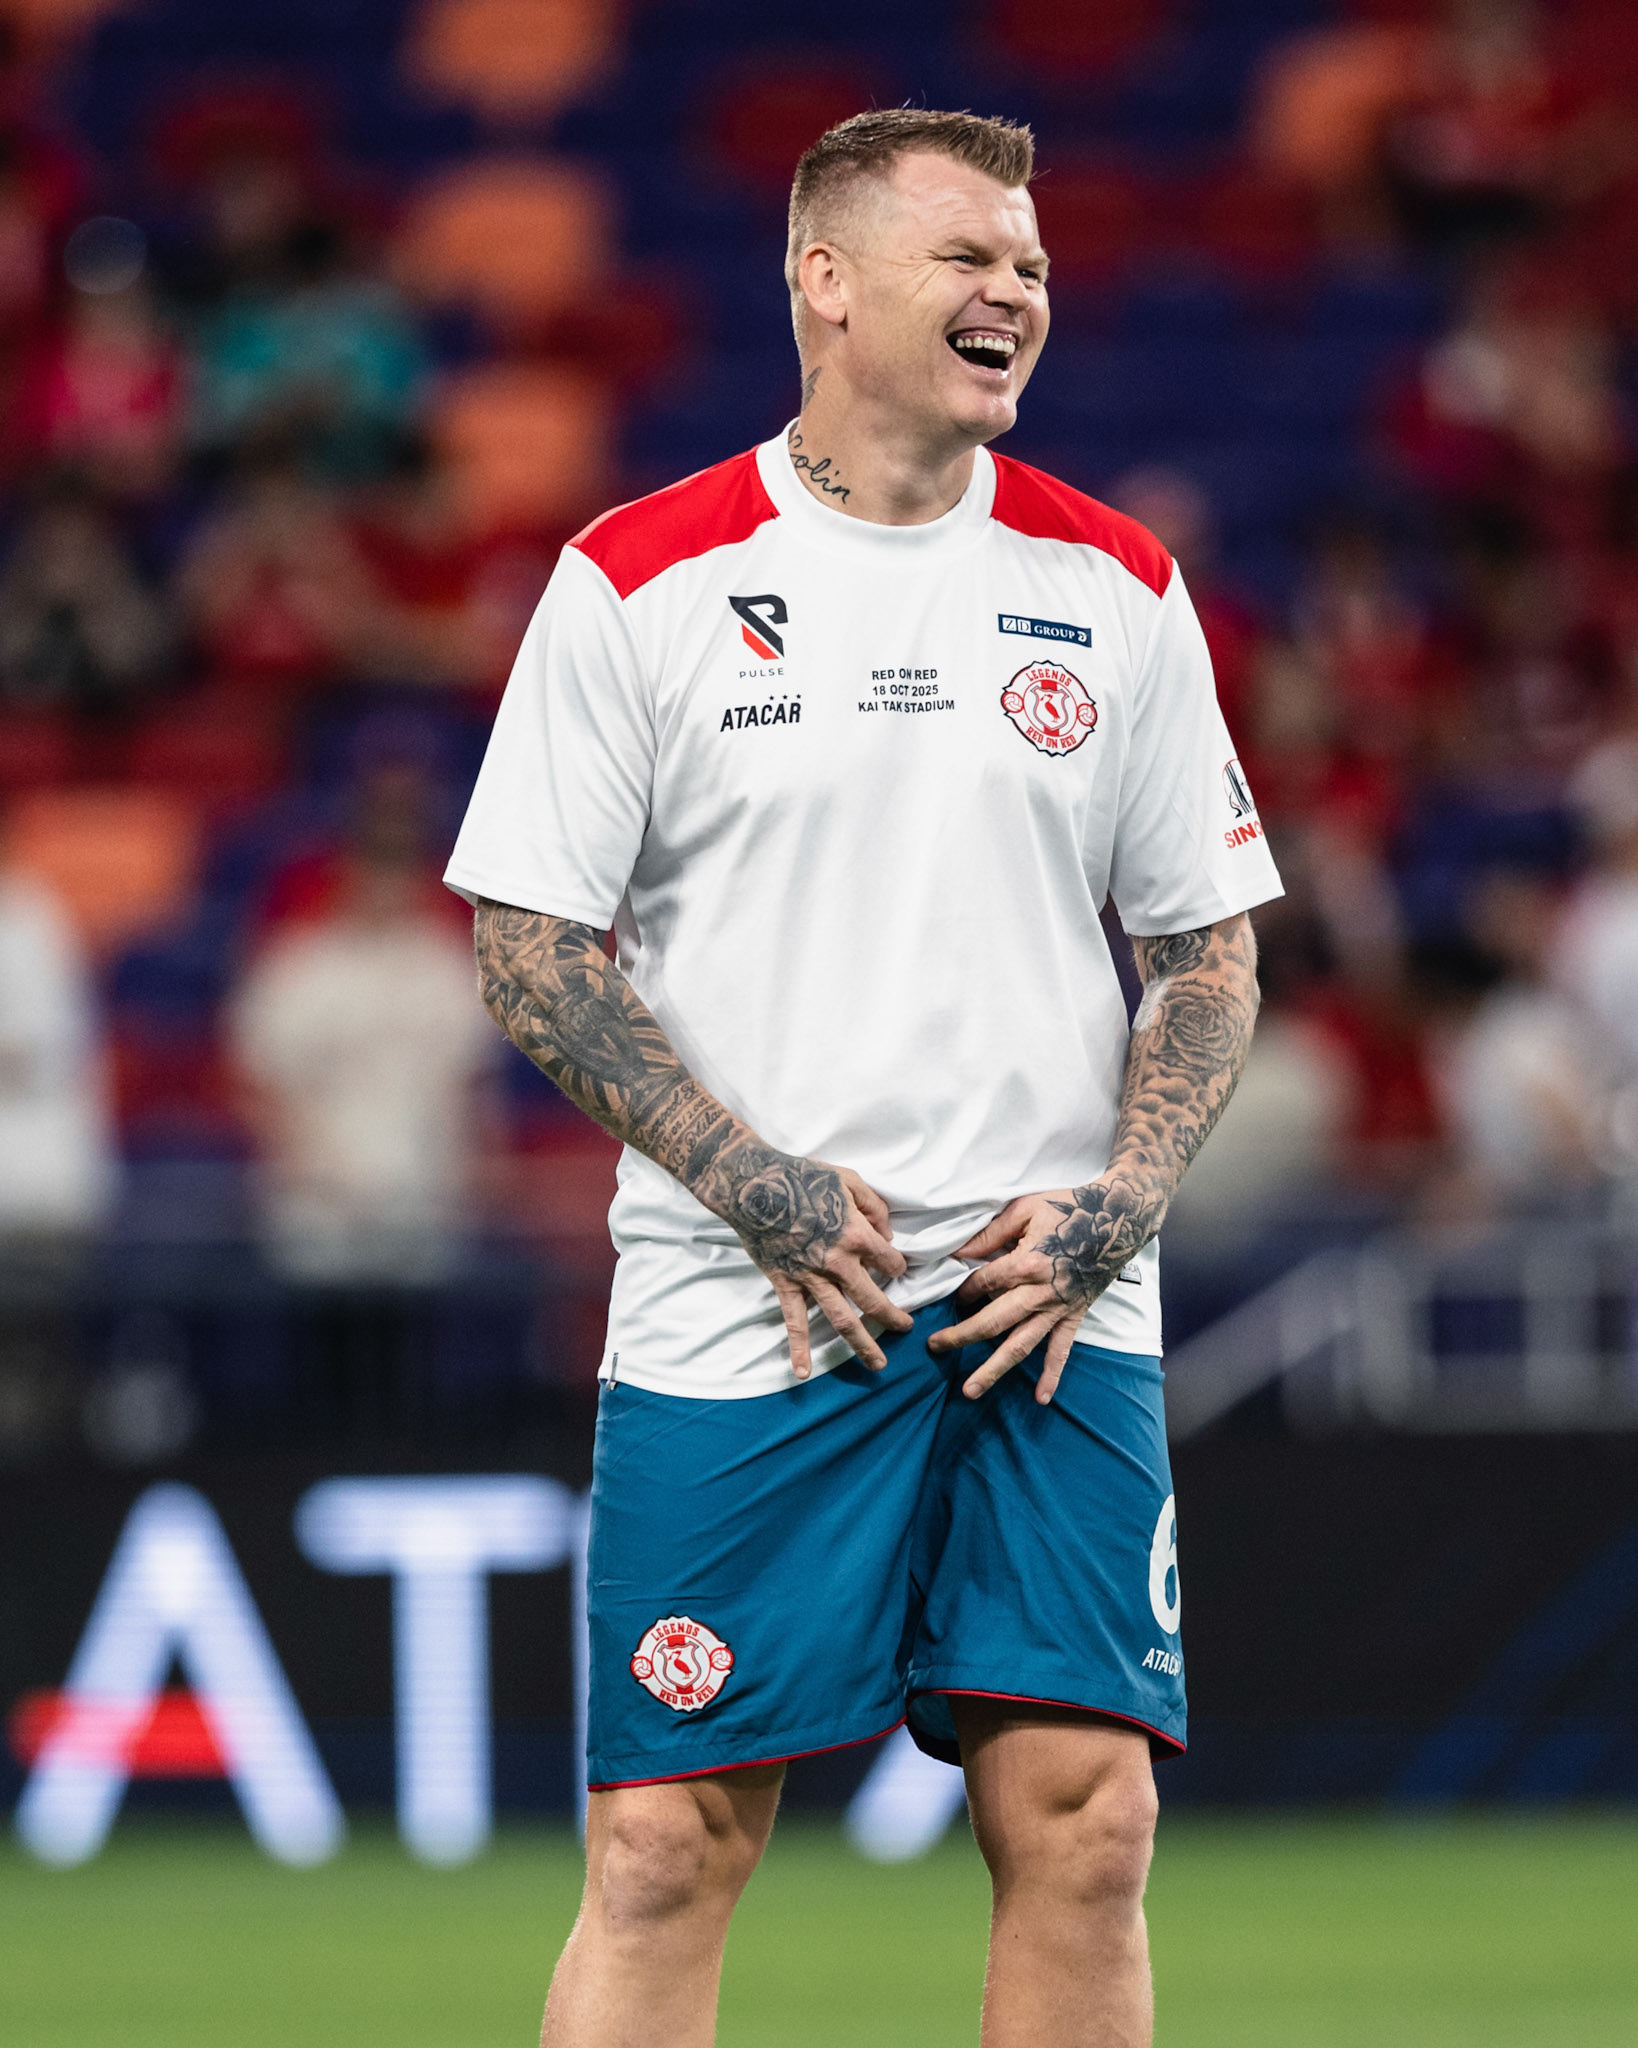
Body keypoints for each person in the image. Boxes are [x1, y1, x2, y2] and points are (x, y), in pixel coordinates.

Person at [445, 109, 1281, 2048]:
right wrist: (752, 1178)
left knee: (1086, 1822)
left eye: (1036, 267)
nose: (1017, 293)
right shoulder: (636, 579)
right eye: (971, 257)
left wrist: (1120, 1206)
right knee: (668, 1839)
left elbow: (1209, 953)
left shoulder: (1117, 584)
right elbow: (528, 947)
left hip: (1044, 1304)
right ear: (825, 281)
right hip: (747, 1304)